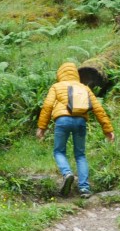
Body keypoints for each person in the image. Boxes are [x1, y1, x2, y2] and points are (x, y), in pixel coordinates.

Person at [36, 62, 115, 198]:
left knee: (59, 151)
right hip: (80, 121)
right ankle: (84, 188)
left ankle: (67, 173)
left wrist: (42, 127)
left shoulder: (56, 87)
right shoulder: (84, 88)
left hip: (62, 121)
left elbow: (47, 106)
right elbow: (98, 109)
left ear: (60, 74)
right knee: (80, 155)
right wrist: (107, 129)